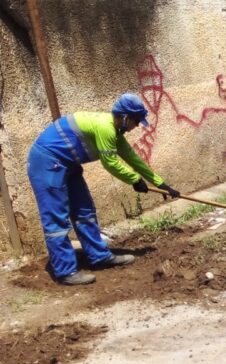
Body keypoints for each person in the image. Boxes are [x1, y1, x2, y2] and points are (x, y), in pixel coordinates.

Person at [27, 93, 180, 286]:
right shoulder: (105, 128)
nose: (135, 127)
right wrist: (135, 180)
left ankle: (99, 257)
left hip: (69, 164)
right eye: (135, 122)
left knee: (84, 211)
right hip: (47, 163)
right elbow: (110, 163)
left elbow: (132, 158)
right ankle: (65, 271)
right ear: (125, 117)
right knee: (56, 218)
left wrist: (160, 183)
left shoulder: (115, 131)